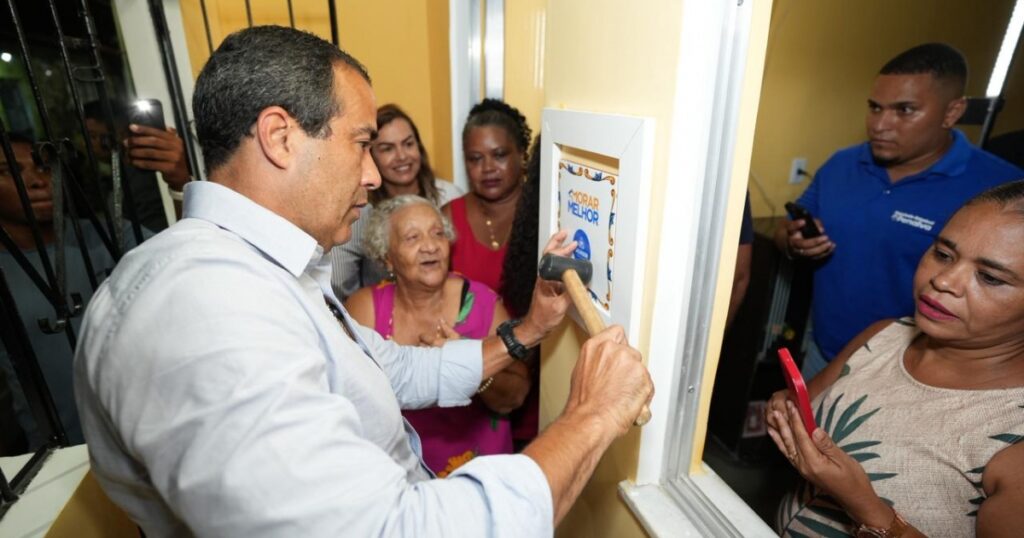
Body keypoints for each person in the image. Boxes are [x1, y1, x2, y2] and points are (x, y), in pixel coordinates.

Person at [74, 26, 653, 536]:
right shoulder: (202, 311)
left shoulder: (263, 272)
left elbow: (388, 367)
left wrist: (528, 328)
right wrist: (593, 414)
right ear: (279, 138)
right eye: (360, 144)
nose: (375, 175)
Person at [767, 180, 1024, 536]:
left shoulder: (1014, 440)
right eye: (944, 254)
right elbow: (802, 404)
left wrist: (866, 508)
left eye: (990, 277)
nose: (945, 280)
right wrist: (785, 411)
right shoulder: (883, 336)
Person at [775, 43, 1024, 379]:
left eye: (904, 110)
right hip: (823, 352)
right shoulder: (841, 164)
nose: (880, 124)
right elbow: (787, 228)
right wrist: (792, 240)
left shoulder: (1000, 188)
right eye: (875, 108)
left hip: (917, 373)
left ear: (952, 112)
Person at [345, 195, 529, 476]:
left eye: (438, 233)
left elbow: (514, 398)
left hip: (480, 471)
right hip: (397, 476)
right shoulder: (364, 309)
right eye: (412, 238)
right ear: (387, 258)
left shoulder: (483, 303)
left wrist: (470, 362)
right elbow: (351, 402)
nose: (430, 246)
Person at [0, 136, 136, 448]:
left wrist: (180, 182)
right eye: (9, 170)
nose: (37, 181)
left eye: (44, 165)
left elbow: (192, 266)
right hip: (60, 453)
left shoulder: (109, 235)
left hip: (147, 433)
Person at [330, 104, 463, 299]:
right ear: (370, 156)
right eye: (387, 149)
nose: (401, 156)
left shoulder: (448, 195)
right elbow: (338, 284)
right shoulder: (359, 210)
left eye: (408, 144)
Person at [444, 98, 531, 293]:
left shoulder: (542, 211)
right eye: (475, 159)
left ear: (523, 155)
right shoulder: (449, 217)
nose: (488, 168)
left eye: (499, 155)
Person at [83, 100, 190, 231]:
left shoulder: (140, 171)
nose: (90, 144)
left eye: (93, 136)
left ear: (116, 133)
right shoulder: (118, 174)